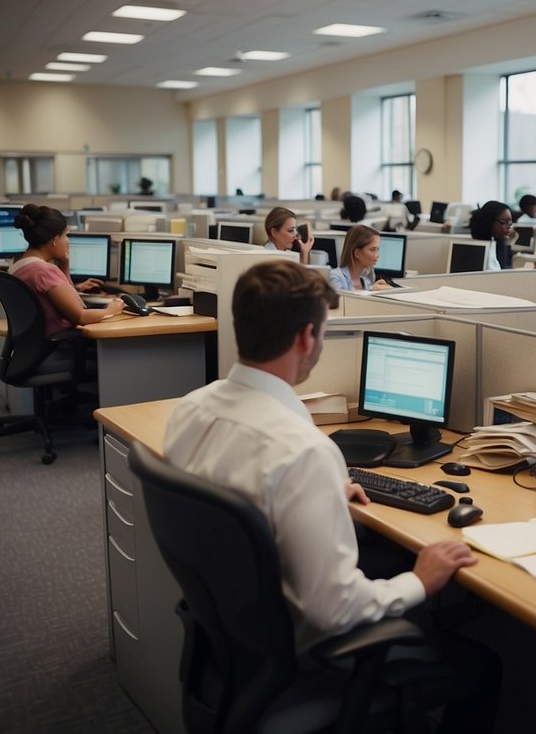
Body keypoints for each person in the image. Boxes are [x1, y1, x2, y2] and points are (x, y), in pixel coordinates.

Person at [163, 261, 500, 732]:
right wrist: (420, 581)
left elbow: (231, 501)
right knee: (481, 664)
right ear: (306, 337)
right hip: (299, 649)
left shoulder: (191, 408)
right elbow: (335, 610)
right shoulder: (302, 450)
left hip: (230, 640)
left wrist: (316, 497)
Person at [9, 204, 124, 337]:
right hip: (60, 345)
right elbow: (81, 315)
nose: (68, 241)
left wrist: (64, 266)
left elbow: (69, 299)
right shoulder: (44, 271)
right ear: (55, 240)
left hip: (34, 345)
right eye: (66, 235)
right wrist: (110, 310)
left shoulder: (17, 265)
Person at [328, 224, 391, 292]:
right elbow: (342, 301)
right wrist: (370, 290)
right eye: (372, 249)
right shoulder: (336, 277)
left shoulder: (366, 281)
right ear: (357, 253)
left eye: (377, 249)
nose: (377, 255)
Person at [468, 200, 514, 269]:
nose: (509, 227)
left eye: (510, 222)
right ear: (489, 221)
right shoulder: (477, 251)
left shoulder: (499, 242)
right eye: (504, 222)